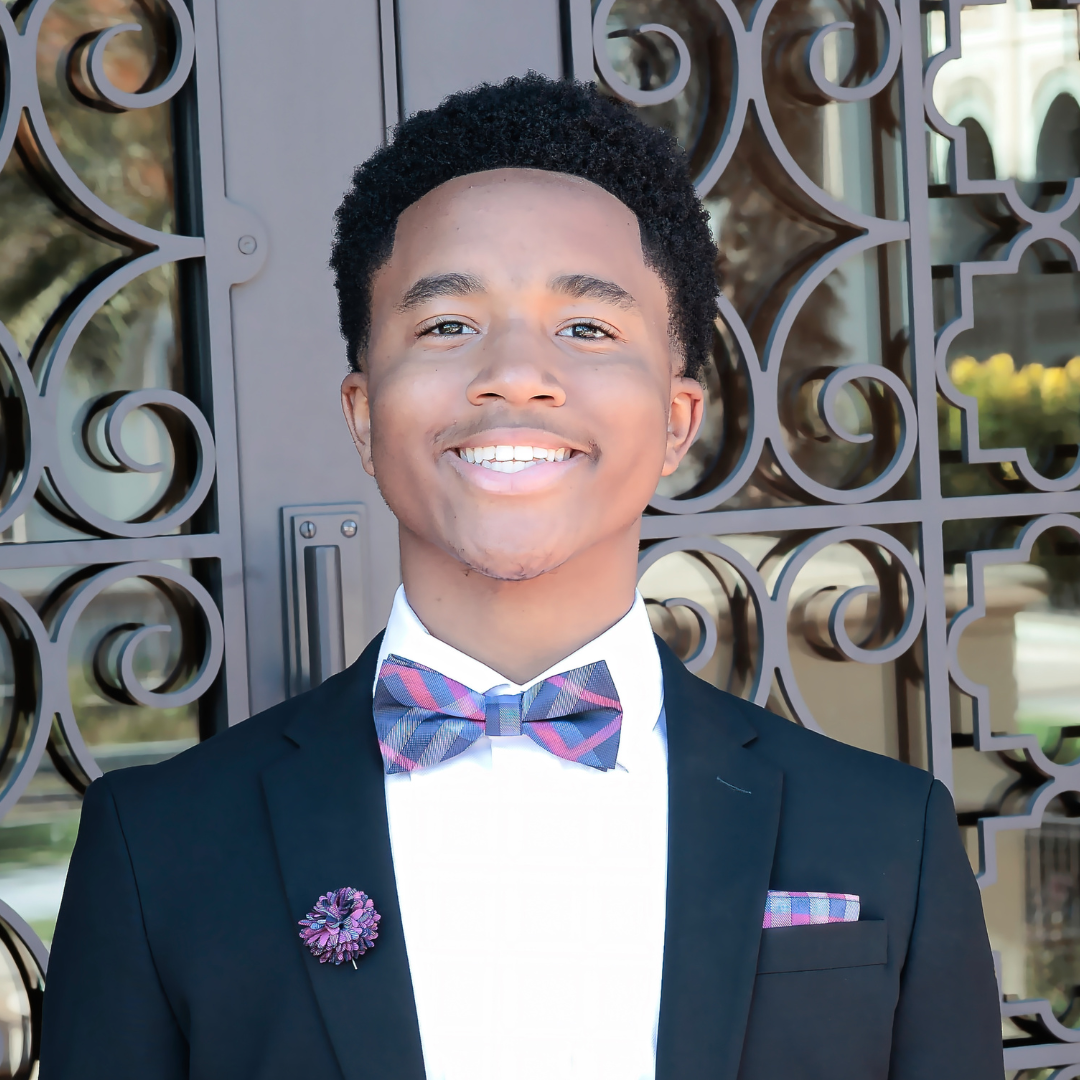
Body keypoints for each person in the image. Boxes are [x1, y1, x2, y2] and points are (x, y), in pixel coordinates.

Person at [40, 74, 1001, 1080]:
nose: (513, 374)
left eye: (586, 328)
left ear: (678, 421)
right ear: (364, 415)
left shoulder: (888, 833)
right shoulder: (161, 848)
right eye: (447, 325)